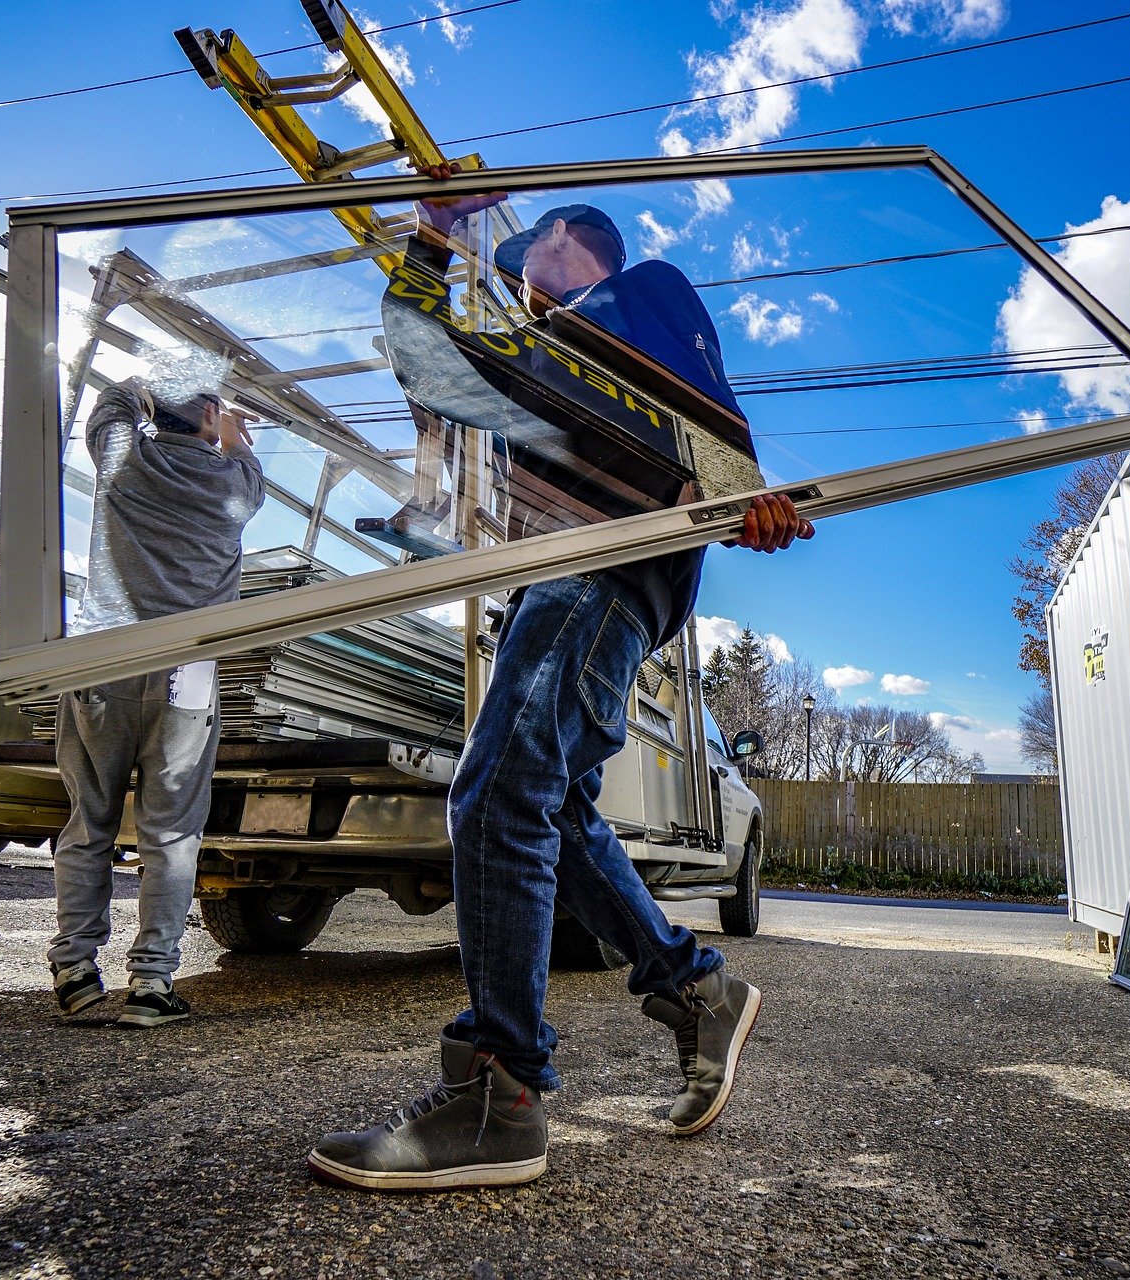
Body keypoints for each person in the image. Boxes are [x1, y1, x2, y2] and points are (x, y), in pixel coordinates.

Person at [308, 179, 814, 1190]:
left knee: (495, 792)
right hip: (553, 581)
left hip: (607, 568)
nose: (516, 269)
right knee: (554, 808)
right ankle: (693, 985)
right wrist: (428, 242)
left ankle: (504, 1088)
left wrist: (736, 486)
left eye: (528, 247)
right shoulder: (528, 362)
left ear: (573, 243)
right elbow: (423, 360)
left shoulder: (633, 299)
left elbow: (703, 394)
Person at [48, 377, 265, 1028]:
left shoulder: (123, 459)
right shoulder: (234, 484)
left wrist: (152, 388)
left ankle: (76, 975)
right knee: (171, 836)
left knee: (89, 823)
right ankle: (149, 985)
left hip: (103, 663)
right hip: (185, 675)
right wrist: (228, 433)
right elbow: (245, 460)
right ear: (206, 415)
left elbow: (113, 401)